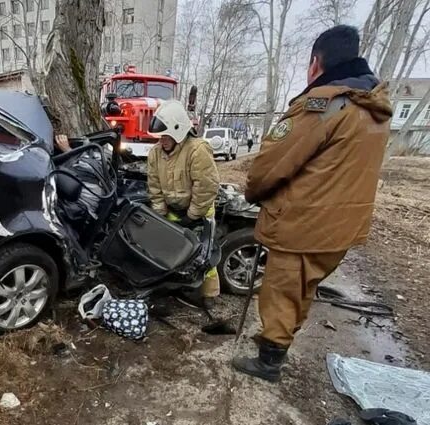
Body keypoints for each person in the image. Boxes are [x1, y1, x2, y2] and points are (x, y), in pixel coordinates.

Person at [232, 25, 392, 382]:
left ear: (315, 62)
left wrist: (254, 192)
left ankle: (269, 361)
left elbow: (272, 164)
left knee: (282, 291)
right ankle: (280, 346)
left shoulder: (325, 105)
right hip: (342, 227)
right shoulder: (373, 108)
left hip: (302, 224)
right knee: (304, 288)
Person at [147, 100, 221, 309]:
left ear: (179, 131)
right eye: (160, 137)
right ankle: (172, 288)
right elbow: (154, 185)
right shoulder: (155, 153)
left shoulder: (197, 150)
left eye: (166, 136)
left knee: (203, 254)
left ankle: (209, 293)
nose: (162, 141)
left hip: (199, 208)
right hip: (172, 209)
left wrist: (193, 214)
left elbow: (206, 185)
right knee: (169, 250)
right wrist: (160, 213)